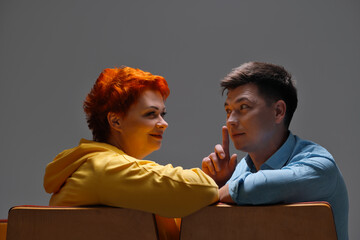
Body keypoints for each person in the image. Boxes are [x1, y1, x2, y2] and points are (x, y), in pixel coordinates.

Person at [43, 67, 218, 238]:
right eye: (151, 114)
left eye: (162, 114)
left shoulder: (98, 166)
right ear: (115, 121)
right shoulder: (104, 168)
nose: (163, 123)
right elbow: (203, 189)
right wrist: (221, 184)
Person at [202, 62, 349, 240]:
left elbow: (256, 188)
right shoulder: (241, 169)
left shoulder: (319, 165)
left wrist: (213, 192)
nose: (231, 120)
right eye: (228, 110)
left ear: (278, 111)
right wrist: (217, 183)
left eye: (243, 107)